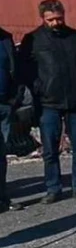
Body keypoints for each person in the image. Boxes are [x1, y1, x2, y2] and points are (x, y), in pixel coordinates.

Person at [16, 0, 76, 203]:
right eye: (51, 19)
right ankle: (53, 188)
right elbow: (24, 69)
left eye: (59, 18)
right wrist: (38, 88)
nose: (55, 23)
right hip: (48, 104)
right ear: (43, 18)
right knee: (50, 150)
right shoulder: (33, 40)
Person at [0, 24, 22, 212]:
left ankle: (2, 198)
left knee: (1, 155)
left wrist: (14, 99)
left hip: (3, 105)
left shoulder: (5, 39)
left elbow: (15, 71)